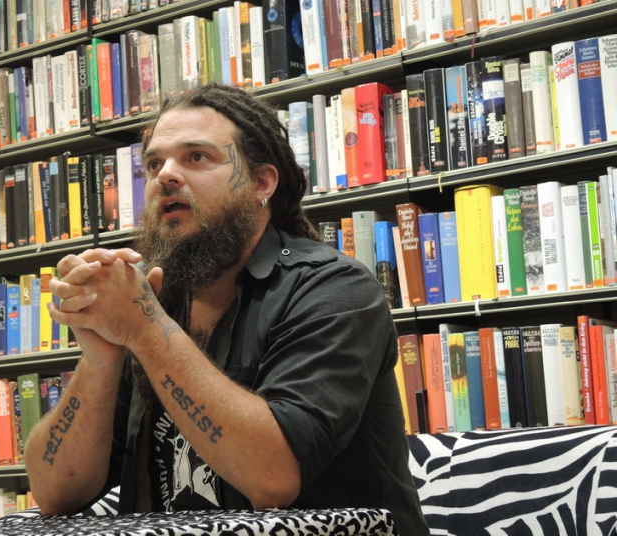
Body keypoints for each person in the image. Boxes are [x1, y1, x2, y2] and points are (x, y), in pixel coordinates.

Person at [24, 83, 429, 534]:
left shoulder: (336, 289)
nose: (165, 175)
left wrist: (144, 329)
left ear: (262, 183)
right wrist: (101, 355)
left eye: (196, 156)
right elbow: (55, 492)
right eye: (154, 164)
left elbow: (273, 478)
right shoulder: (157, 301)